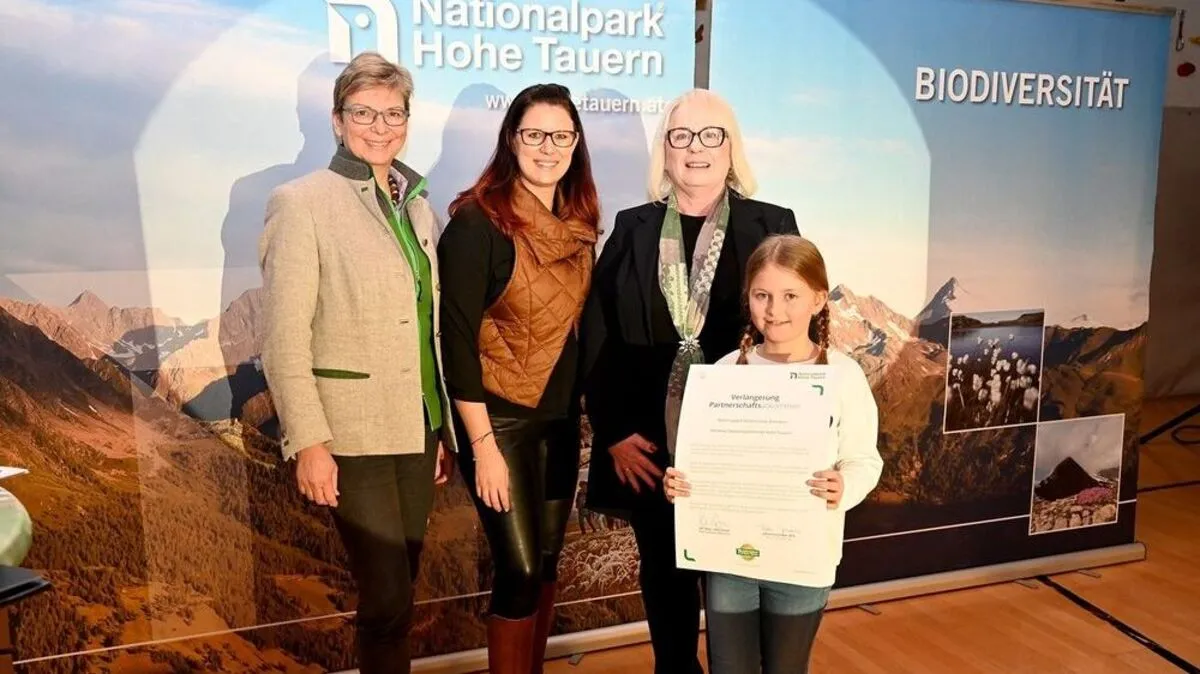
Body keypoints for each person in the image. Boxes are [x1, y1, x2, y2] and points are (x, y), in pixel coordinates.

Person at [579, 88, 800, 674]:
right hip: (653, 445)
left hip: (746, 443)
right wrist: (615, 432)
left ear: (732, 149)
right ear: (665, 151)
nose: (695, 149)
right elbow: (598, 338)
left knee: (738, 583)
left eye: (710, 135)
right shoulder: (632, 228)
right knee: (666, 578)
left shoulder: (772, 224)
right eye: (681, 136)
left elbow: (796, 332)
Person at [258, 52, 456, 674]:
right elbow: (284, 336)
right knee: (388, 598)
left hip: (417, 427)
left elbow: (425, 326)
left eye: (393, 113)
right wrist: (309, 440)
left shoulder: (416, 201)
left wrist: (440, 424)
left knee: (402, 590)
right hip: (351, 433)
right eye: (364, 113)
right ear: (338, 120)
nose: (380, 126)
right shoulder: (302, 202)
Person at [664, 234, 884, 673]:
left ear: (818, 300)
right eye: (762, 295)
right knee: (730, 668)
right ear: (748, 299)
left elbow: (865, 460)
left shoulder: (843, 374)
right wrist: (682, 483)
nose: (775, 310)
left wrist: (845, 486)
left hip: (803, 562)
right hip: (729, 557)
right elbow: (702, 458)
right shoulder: (725, 372)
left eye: (790, 296)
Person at [436, 83, 599, 674]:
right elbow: (454, 343)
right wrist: (482, 447)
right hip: (499, 421)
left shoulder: (579, 225)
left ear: (576, 143)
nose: (547, 147)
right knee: (521, 569)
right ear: (512, 140)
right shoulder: (477, 224)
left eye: (560, 135)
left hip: (558, 422)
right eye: (534, 134)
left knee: (549, 562)